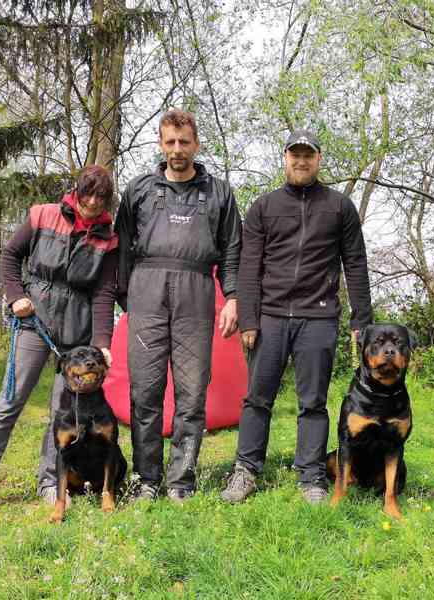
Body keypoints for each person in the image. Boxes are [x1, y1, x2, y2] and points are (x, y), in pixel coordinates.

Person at [0, 165, 118, 521]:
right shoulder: (42, 215)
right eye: (86, 193)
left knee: (61, 411)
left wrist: (101, 340)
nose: (92, 202)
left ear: (107, 200)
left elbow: (105, 293)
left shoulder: (109, 237)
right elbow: (10, 256)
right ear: (76, 191)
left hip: (76, 332)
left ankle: (49, 484)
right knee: (9, 403)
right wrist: (15, 296)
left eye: (100, 197)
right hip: (34, 322)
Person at [221, 129, 372, 505]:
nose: (301, 161)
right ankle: (245, 470)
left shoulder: (339, 207)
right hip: (269, 317)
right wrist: (250, 320)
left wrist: (362, 321)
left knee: (313, 403)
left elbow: (354, 263)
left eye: (308, 155)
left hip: (318, 319)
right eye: (295, 154)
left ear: (318, 160)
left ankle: (311, 477)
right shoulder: (264, 207)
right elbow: (248, 265)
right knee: (257, 398)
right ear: (285, 157)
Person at [115, 108, 241, 503]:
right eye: (170, 142)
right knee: (145, 390)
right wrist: (127, 296)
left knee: (191, 391)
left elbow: (233, 250)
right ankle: (147, 480)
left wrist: (233, 297)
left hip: (197, 291)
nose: (177, 149)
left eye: (184, 142)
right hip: (147, 291)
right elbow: (120, 249)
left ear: (196, 144)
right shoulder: (138, 190)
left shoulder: (220, 193)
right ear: (160, 144)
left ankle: (180, 482)